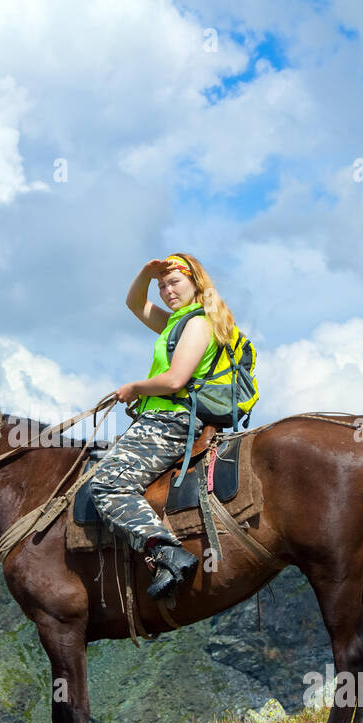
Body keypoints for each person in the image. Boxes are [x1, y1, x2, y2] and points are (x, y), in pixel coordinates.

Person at [91, 252, 239, 602]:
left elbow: (175, 380)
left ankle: (167, 553)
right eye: (161, 286)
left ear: (195, 283)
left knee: (107, 483)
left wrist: (134, 388)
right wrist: (146, 271)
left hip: (171, 421)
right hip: (161, 418)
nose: (166, 290)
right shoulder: (176, 323)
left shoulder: (199, 323)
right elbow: (134, 303)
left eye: (174, 282)